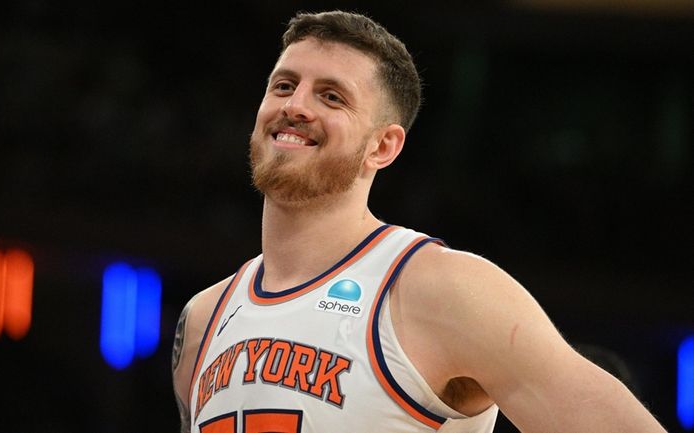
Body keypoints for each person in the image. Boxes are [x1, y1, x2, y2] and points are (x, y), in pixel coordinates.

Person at [171, 10, 666, 433]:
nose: (296, 106)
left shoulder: (444, 290)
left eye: (332, 96)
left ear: (382, 146)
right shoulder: (202, 320)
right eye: (284, 85)